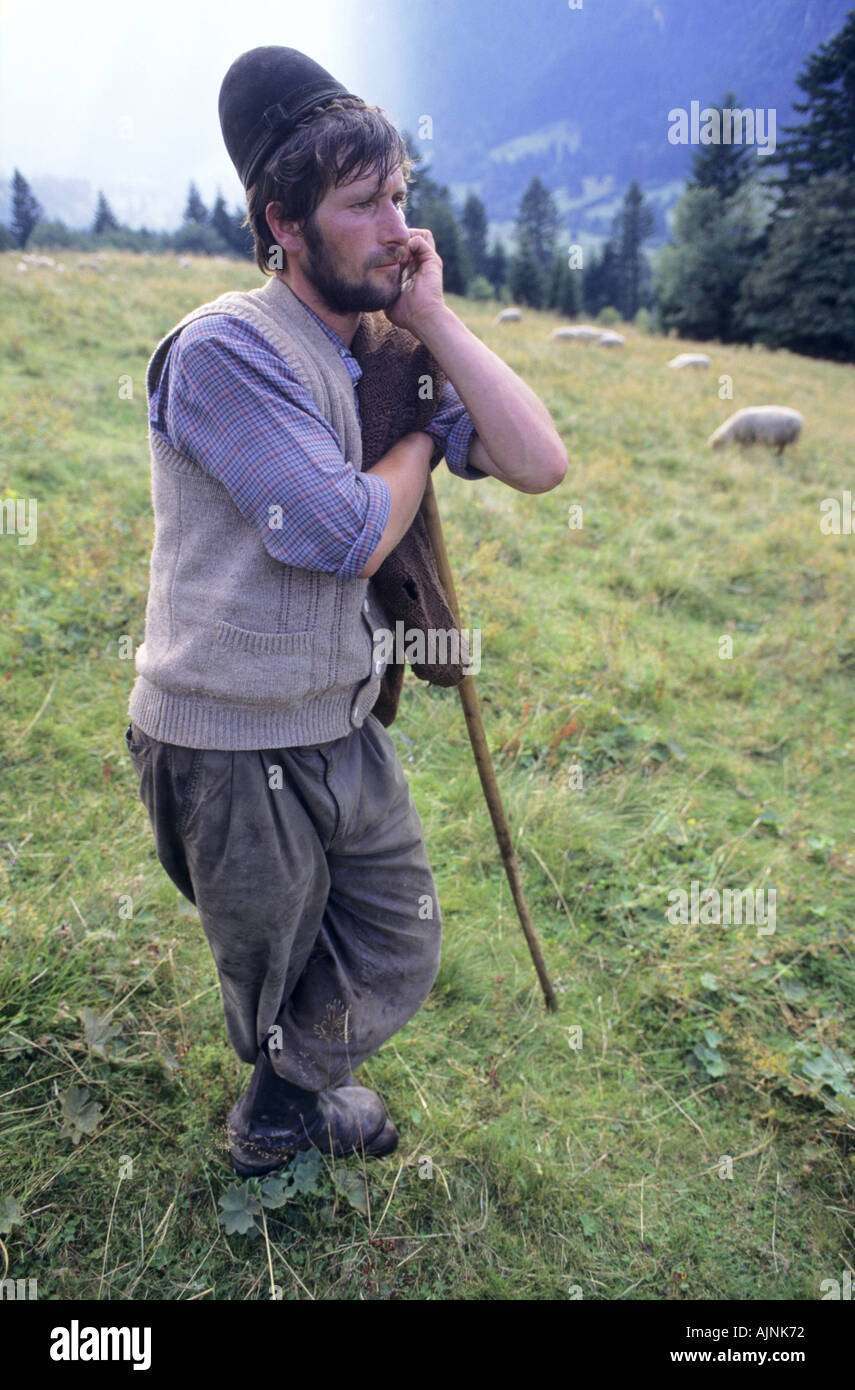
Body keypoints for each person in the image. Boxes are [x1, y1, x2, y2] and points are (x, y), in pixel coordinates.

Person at [125, 46, 567, 1178]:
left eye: (402, 195)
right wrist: (423, 434)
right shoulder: (224, 348)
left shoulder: (387, 349)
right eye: (364, 203)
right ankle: (276, 1119)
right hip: (223, 732)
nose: (397, 224)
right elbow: (337, 533)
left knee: (393, 936)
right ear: (283, 222)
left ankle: (294, 1080)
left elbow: (538, 460)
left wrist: (440, 323)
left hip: (336, 717)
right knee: (276, 960)